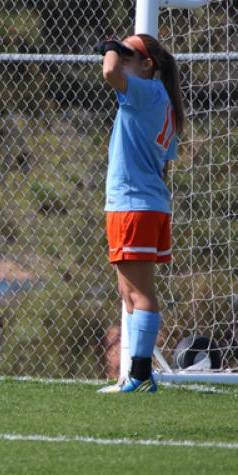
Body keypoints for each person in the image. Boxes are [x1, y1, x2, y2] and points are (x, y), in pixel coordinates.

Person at [94, 34, 184, 392]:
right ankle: (134, 373)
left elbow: (109, 71)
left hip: (135, 204)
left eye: (130, 54)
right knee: (127, 291)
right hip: (139, 203)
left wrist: (111, 46)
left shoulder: (146, 93)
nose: (121, 57)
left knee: (140, 293)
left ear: (147, 66)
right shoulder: (159, 100)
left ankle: (142, 375)